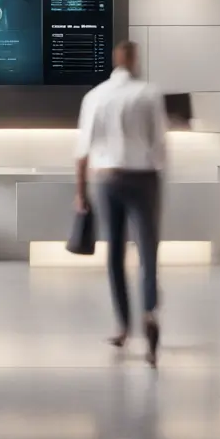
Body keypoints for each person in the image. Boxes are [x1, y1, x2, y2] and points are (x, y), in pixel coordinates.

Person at [74, 41, 168, 367]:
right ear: (135, 60)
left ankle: (123, 327)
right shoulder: (149, 93)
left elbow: (82, 151)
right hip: (143, 178)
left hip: (106, 179)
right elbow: (159, 145)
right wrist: (158, 175)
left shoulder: (95, 96)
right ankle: (149, 313)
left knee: (114, 253)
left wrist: (80, 192)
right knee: (147, 252)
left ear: (115, 60)